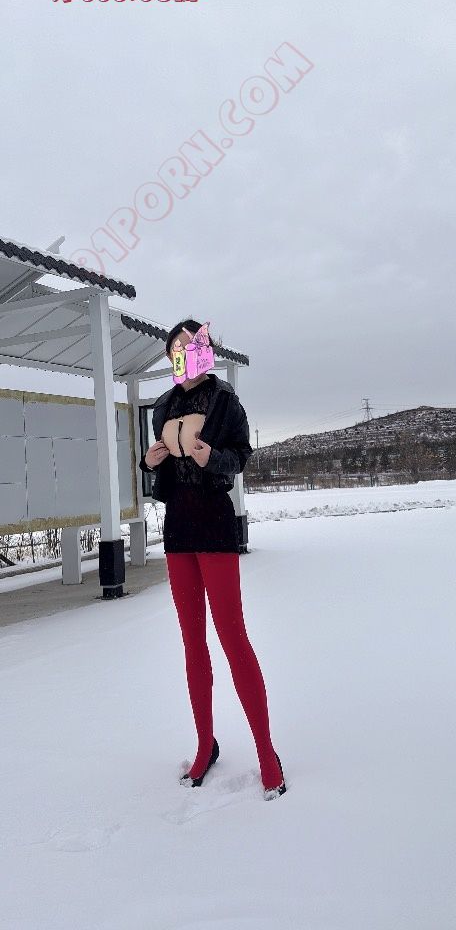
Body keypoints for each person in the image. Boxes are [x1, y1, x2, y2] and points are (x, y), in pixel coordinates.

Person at [139, 318, 286, 801]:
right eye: (175, 349)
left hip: (216, 524)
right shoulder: (164, 404)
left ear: (205, 350)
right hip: (178, 528)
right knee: (192, 643)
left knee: (233, 638)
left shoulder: (224, 400)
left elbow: (240, 456)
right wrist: (149, 462)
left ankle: (266, 752)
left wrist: (212, 459)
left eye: (191, 345)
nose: (184, 354)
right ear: (170, 357)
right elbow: (159, 463)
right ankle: (205, 745)